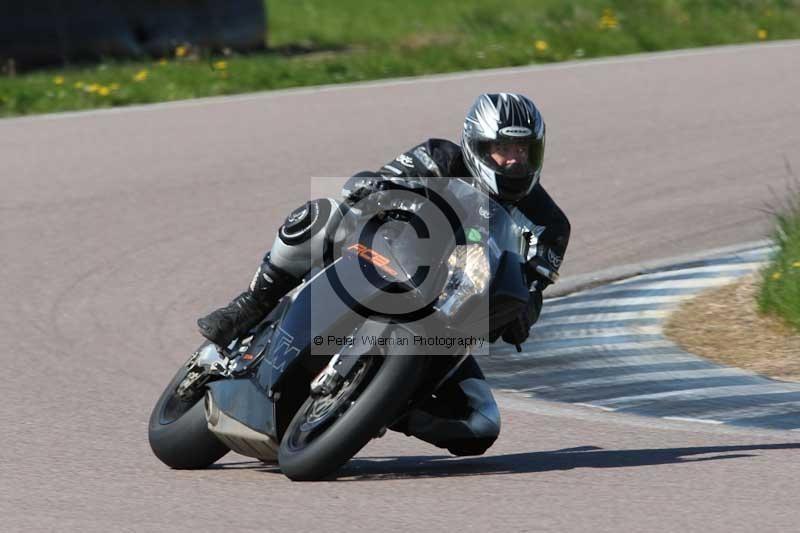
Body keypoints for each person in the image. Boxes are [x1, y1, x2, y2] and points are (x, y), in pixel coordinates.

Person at [197, 93, 570, 456]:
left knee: (481, 424)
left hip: (453, 323)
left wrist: (522, 314)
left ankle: (385, 404)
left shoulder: (550, 223)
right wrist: (373, 188)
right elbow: (380, 181)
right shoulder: (439, 157)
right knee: (323, 214)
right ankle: (252, 302)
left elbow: (534, 289)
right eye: (504, 148)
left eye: (525, 151)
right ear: (476, 143)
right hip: (388, 263)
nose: (514, 161)